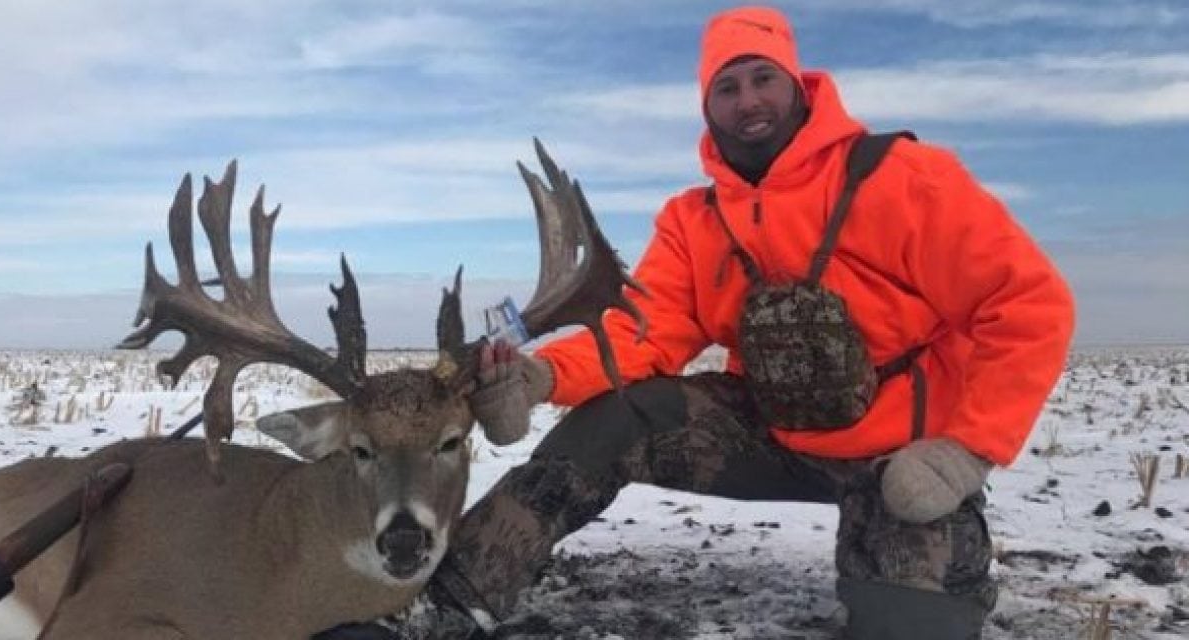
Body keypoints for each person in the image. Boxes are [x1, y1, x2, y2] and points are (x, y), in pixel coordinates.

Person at [326, 5, 1074, 639]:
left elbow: (1030, 305)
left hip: (904, 461)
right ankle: (449, 598)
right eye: (727, 87)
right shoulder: (695, 219)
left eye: (762, 79)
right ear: (707, 105)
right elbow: (642, 334)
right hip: (772, 433)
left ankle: (950, 564)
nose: (749, 100)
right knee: (620, 414)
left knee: (908, 624)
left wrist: (965, 450)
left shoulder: (907, 181)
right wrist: (541, 373)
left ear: (797, 83)